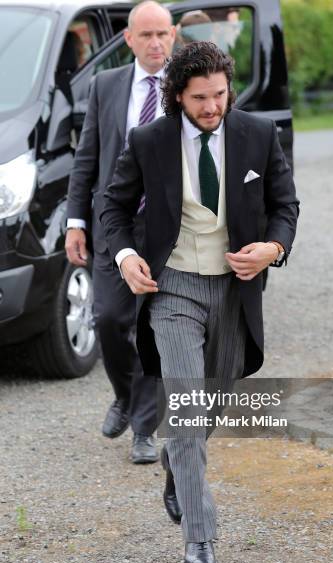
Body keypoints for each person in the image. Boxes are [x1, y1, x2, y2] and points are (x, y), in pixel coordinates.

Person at [100, 41, 299, 563]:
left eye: (219, 94)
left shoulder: (256, 134)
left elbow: (285, 205)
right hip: (174, 289)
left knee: (212, 400)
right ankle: (199, 533)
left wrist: (273, 248)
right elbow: (113, 207)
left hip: (235, 292)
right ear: (178, 96)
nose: (212, 106)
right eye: (200, 98)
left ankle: (175, 463)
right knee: (186, 411)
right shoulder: (149, 141)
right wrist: (123, 255)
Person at [65, 1, 176, 463]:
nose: (155, 44)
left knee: (149, 326)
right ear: (128, 39)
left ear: (174, 37)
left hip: (166, 226)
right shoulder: (105, 85)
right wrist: (75, 221)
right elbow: (87, 157)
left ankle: (144, 430)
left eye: (163, 34)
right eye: (146, 35)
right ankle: (124, 396)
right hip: (114, 221)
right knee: (110, 319)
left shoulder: (186, 86)